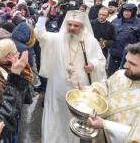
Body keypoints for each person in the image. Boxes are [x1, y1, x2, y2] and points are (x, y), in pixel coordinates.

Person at [34, 7, 106, 143]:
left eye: (76, 25)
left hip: (79, 89)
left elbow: (101, 60)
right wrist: (43, 16)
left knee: (73, 118)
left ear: (82, 26)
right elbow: (40, 35)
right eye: (69, 24)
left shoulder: (90, 41)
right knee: (55, 114)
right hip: (57, 87)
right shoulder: (58, 38)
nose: (72, 28)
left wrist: (93, 65)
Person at [86, 42, 140, 142]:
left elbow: (137, 135)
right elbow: (106, 86)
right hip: (99, 136)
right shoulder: (121, 74)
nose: (125, 65)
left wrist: (104, 124)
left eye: (132, 64)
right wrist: (88, 90)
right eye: (126, 60)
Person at [108, 3, 140, 76]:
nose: (126, 13)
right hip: (114, 52)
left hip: (128, 55)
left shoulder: (139, 23)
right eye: (125, 11)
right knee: (110, 73)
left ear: (133, 12)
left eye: (129, 11)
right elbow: (109, 34)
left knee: (125, 75)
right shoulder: (116, 20)